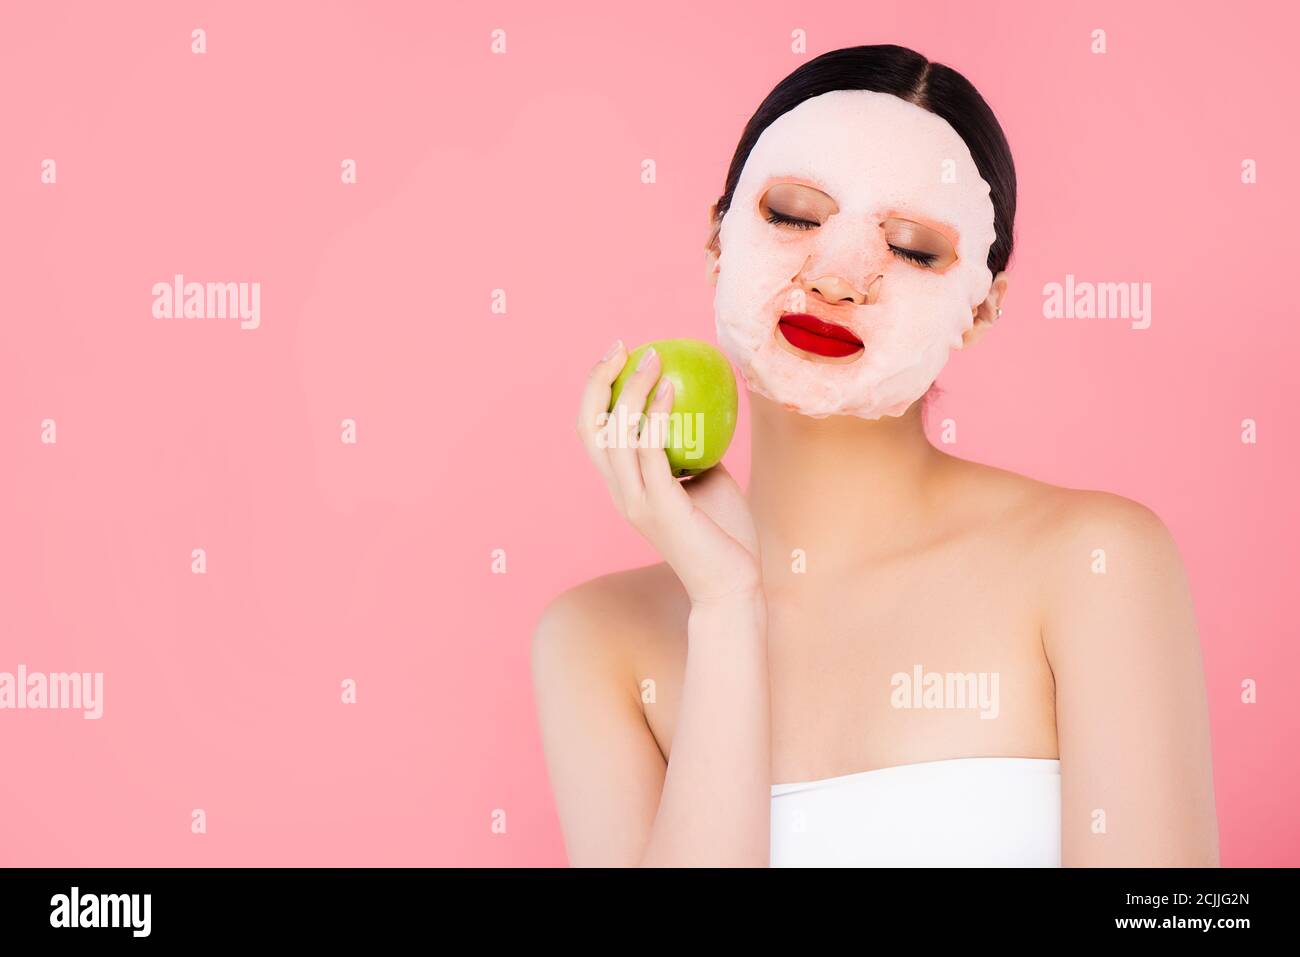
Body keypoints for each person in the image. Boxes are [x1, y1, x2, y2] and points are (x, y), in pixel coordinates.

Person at [531, 44, 1219, 867]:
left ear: (979, 309)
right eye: (792, 213)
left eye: (914, 247)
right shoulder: (595, 641)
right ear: (718, 241)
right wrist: (726, 610)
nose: (839, 277)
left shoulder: (1098, 562)